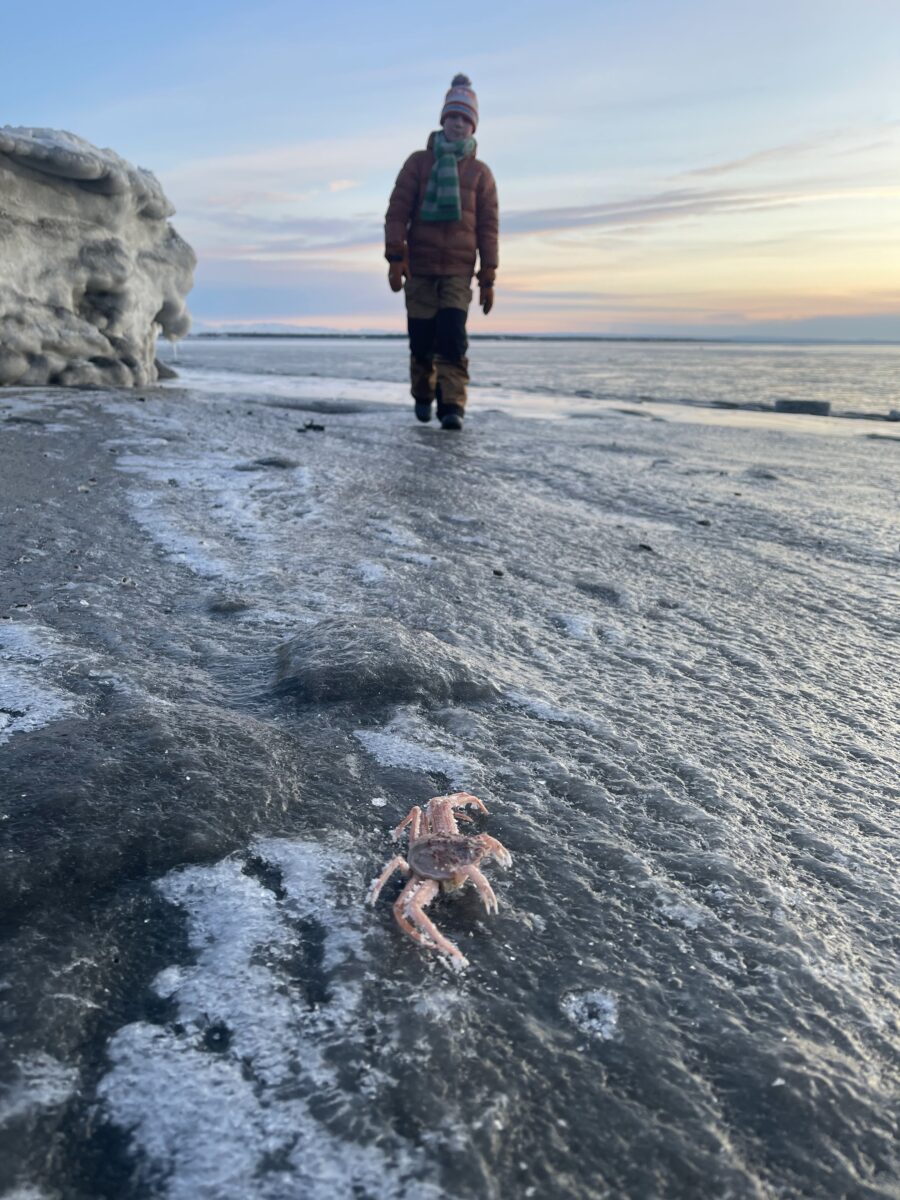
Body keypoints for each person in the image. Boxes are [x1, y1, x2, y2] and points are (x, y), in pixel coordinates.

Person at [384, 74, 499, 431]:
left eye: (465, 119)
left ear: (473, 126)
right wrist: (395, 257)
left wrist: (488, 276)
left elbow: (488, 227)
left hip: (458, 271)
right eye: (453, 117)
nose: (458, 125)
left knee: (451, 338)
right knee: (421, 340)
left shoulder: (481, 174)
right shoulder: (419, 163)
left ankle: (452, 406)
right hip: (419, 268)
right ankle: (423, 392)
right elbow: (397, 211)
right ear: (442, 120)